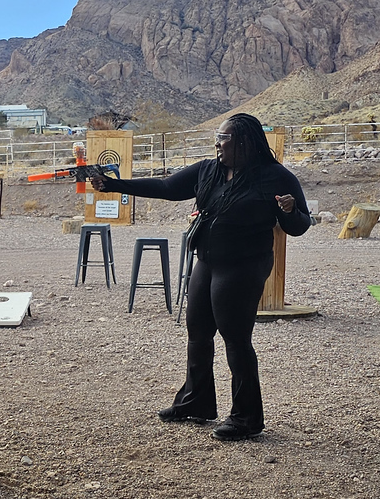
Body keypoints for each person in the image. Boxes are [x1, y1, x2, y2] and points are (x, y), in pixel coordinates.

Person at [90, 113, 311, 441]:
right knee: (198, 332)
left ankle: (247, 418)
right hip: (207, 261)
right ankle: (197, 402)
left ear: (244, 142)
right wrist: (113, 185)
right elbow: (166, 187)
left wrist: (289, 211)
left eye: (224, 139)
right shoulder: (210, 169)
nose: (218, 144)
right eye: (217, 138)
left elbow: (299, 225)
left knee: (235, 338)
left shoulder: (275, 177)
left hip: (244, 265)